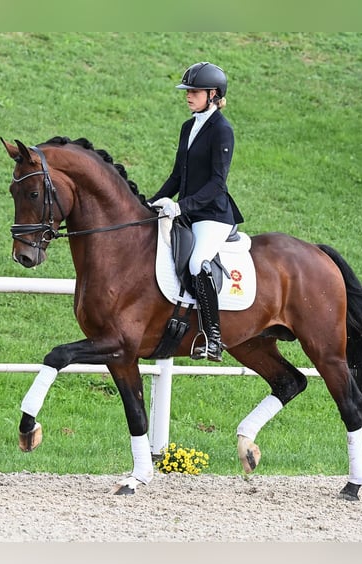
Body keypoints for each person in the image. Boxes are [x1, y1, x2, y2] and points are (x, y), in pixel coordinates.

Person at [148, 61, 244, 362]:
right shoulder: (188, 126)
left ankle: (213, 337)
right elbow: (178, 176)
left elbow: (217, 183)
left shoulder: (222, 130)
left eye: (195, 91)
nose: (188, 96)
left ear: (213, 94)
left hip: (213, 215)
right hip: (187, 212)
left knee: (197, 262)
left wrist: (181, 206)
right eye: (187, 91)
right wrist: (151, 203)